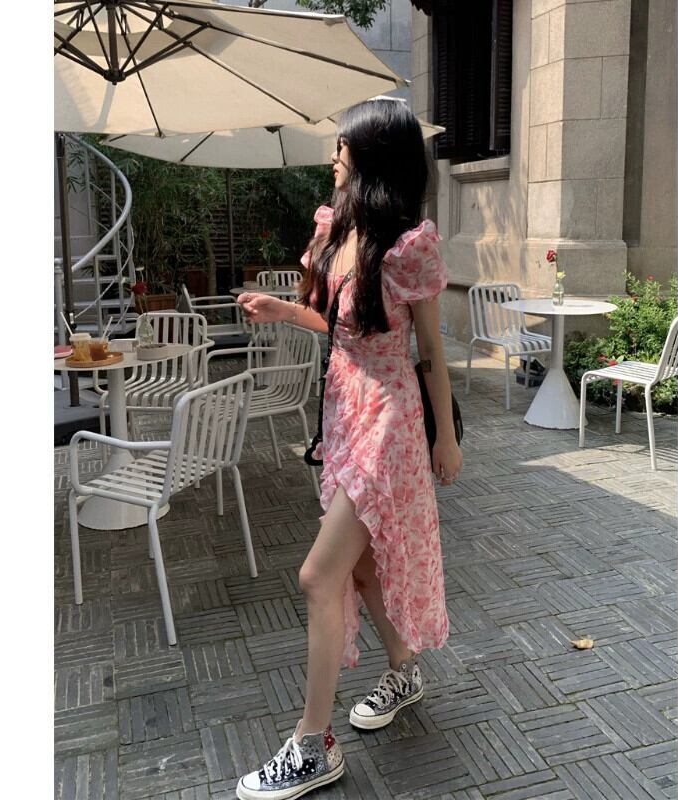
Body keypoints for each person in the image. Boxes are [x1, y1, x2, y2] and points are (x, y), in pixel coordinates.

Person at [234, 98, 462, 800]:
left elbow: (430, 350)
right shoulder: (337, 230)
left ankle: (313, 743)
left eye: (345, 144)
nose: (335, 154)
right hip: (343, 412)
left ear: (374, 157)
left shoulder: (408, 245)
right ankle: (404, 670)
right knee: (361, 571)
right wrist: (284, 309)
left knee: (317, 576)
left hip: (390, 421)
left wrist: (446, 436)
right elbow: (336, 324)